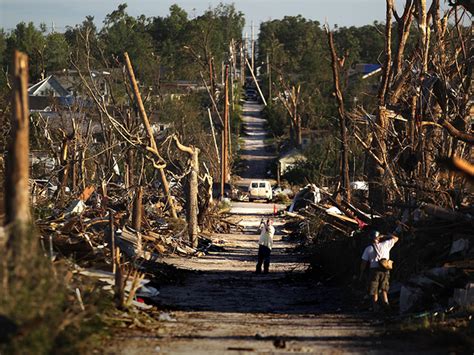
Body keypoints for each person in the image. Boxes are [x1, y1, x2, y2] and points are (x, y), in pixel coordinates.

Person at [359, 230, 399, 311]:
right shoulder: (386, 244)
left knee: (374, 290)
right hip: (385, 270)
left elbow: (363, 263)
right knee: (384, 289)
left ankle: (376, 308)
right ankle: (386, 306)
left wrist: (361, 273)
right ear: (379, 238)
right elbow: (396, 238)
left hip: (374, 271)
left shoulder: (368, 248)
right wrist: (384, 236)